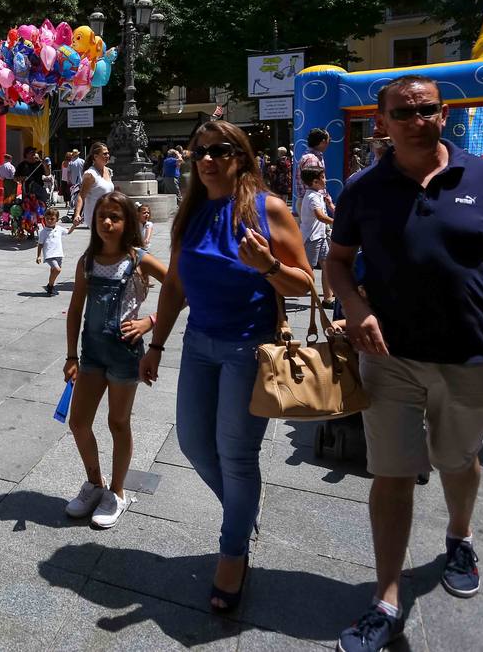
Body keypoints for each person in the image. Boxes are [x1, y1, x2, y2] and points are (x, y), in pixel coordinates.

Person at [328, 75, 483, 652]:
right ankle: (386, 598)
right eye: (404, 112)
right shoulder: (364, 190)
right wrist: (355, 306)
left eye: (428, 110)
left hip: (473, 354)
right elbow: (339, 262)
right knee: (391, 473)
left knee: (457, 459)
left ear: (444, 115)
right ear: (383, 122)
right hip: (389, 358)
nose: (417, 120)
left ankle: (460, 534)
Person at [142, 120, 314, 613]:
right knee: (194, 441)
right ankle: (242, 511)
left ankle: (232, 553)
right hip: (199, 344)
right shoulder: (191, 211)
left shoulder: (269, 209)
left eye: (220, 150)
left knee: (236, 457)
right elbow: (174, 285)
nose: (208, 159)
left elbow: (305, 284)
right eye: (200, 152)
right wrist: (156, 345)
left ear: (240, 156)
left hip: (249, 348)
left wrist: (269, 267)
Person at [64, 191, 168, 530]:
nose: (107, 223)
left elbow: (181, 291)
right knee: (78, 421)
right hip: (92, 352)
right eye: (101, 217)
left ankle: (117, 491)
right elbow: (75, 310)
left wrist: (149, 323)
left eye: (115, 217)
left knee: (118, 423)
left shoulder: (139, 259)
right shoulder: (87, 261)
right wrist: (70, 355)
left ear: (128, 223)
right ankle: (94, 482)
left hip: (125, 353)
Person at [299, 166, 336, 306]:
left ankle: (328, 298)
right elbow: (320, 216)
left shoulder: (318, 194)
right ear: (315, 182)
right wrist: (336, 222)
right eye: (323, 177)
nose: (325, 180)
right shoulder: (312, 197)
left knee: (326, 266)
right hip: (312, 238)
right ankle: (290, 288)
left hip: (319, 236)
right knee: (308, 269)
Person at [71, 143, 114, 232]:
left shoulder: (108, 171)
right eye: (104, 154)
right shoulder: (90, 174)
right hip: (96, 217)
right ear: (95, 156)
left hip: (108, 214)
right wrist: (77, 214)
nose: (108, 156)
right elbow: (81, 196)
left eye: (108, 153)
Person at [36, 207, 67, 296]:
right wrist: (38, 256)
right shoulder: (43, 232)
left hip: (59, 254)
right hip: (49, 255)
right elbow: (40, 244)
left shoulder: (59, 228)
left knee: (53, 271)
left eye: (52, 219)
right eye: (47, 219)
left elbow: (68, 232)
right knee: (57, 270)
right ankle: (50, 286)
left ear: (57, 219)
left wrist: (74, 225)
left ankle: (50, 286)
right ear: (44, 218)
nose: (49, 220)